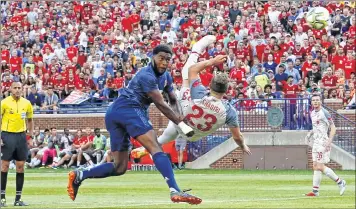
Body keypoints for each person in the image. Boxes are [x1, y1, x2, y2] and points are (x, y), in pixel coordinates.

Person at [67, 44, 201, 204]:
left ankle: (80, 175)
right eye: (161, 58)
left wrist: (180, 118)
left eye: (167, 59)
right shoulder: (147, 75)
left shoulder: (166, 77)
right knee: (156, 148)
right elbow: (160, 104)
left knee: (119, 167)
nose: (164, 62)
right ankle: (174, 190)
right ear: (153, 57)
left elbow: (172, 99)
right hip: (129, 109)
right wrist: (182, 125)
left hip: (115, 112)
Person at [131, 35, 251, 167]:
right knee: (172, 130)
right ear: (227, 90)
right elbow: (237, 137)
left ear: (210, 86)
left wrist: (213, 61)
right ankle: (148, 148)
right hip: (194, 135)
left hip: (183, 121)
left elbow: (192, 70)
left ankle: (197, 49)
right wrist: (243, 145)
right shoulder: (229, 111)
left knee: (185, 74)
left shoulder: (200, 93)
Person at [304, 94, 346, 197]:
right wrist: (310, 134)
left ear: (320, 101)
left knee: (320, 166)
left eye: (317, 100)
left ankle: (340, 182)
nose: (315, 102)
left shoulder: (325, 113)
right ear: (311, 102)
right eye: (313, 100)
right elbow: (316, 127)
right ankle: (315, 191)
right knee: (315, 166)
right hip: (316, 142)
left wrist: (329, 141)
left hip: (323, 142)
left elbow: (333, 127)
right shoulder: (312, 113)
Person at [1, 82, 34, 206]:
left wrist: (30, 136)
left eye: (19, 88)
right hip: (7, 135)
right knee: (4, 165)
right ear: (10, 89)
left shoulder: (27, 103)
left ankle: (18, 199)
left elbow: (30, 120)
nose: (17, 90)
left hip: (21, 136)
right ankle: (2, 198)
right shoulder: (4, 102)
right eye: (15, 88)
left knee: (20, 166)